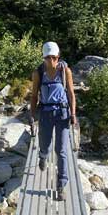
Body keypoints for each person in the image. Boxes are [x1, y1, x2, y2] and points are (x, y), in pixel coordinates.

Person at [30, 41, 76, 201]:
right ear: (44, 58)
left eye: (54, 58)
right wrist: (32, 115)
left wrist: (73, 114)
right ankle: (42, 156)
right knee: (45, 146)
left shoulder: (65, 71)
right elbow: (34, 95)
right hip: (45, 113)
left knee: (61, 150)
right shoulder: (38, 73)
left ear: (58, 57)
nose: (51, 61)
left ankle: (61, 185)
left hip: (62, 113)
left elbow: (71, 94)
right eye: (48, 57)